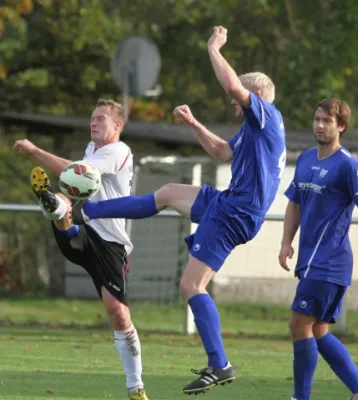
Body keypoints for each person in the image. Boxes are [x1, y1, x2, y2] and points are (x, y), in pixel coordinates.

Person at [72, 26, 286, 395]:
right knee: (168, 192)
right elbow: (223, 153)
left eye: (239, 101)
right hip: (229, 202)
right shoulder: (253, 130)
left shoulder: (266, 117)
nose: (233, 106)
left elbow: (234, 86)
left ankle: (219, 364)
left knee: (191, 284)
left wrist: (214, 47)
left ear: (255, 98)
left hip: (236, 212)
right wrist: (194, 124)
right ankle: (92, 210)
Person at [13, 99, 150, 400]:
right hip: (85, 232)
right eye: (92, 117)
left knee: (119, 316)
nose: (94, 122)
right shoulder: (92, 150)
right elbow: (74, 178)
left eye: (101, 118)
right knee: (63, 202)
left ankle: (135, 387)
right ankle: (52, 204)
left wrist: (35, 151)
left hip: (110, 243)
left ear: (118, 126)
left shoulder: (118, 151)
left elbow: (74, 172)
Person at [279, 98, 358, 400]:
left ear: (341, 127)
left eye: (327, 121)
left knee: (299, 324)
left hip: (331, 262)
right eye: (317, 119)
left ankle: (301, 397)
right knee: (318, 331)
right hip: (310, 261)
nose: (320, 125)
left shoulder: (348, 165)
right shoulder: (306, 159)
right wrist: (287, 242)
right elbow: (294, 202)